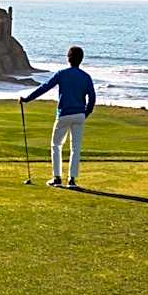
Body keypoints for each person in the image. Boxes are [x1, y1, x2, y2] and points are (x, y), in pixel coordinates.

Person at [20, 46, 96, 189]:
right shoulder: (86, 77)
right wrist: (85, 114)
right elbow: (92, 98)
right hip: (79, 114)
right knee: (76, 148)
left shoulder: (62, 74)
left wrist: (27, 99)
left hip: (64, 114)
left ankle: (57, 178)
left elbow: (45, 87)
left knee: (56, 145)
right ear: (81, 60)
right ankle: (72, 180)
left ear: (68, 58)